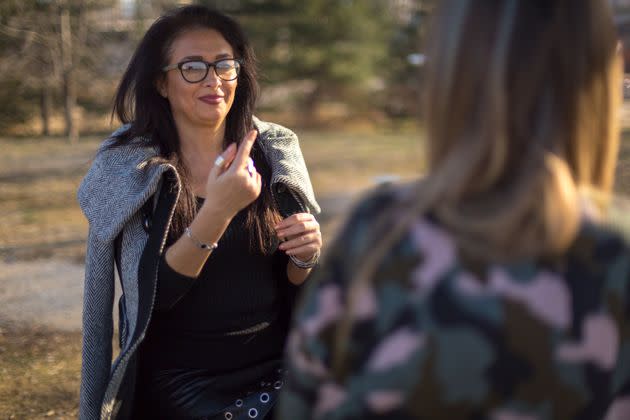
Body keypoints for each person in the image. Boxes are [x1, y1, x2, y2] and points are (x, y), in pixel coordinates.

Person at [280, 1, 630, 419]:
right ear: (598, 75)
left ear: (450, 72)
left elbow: (302, 401)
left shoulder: (380, 234)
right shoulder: (615, 257)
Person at [77, 5, 322, 419]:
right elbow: (153, 299)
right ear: (161, 82)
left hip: (280, 369)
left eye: (224, 65)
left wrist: (306, 255)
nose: (213, 80)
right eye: (193, 66)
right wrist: (218, 211)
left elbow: (297, 285)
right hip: (182, 383)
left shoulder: (274, 151)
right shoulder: (131, 168)